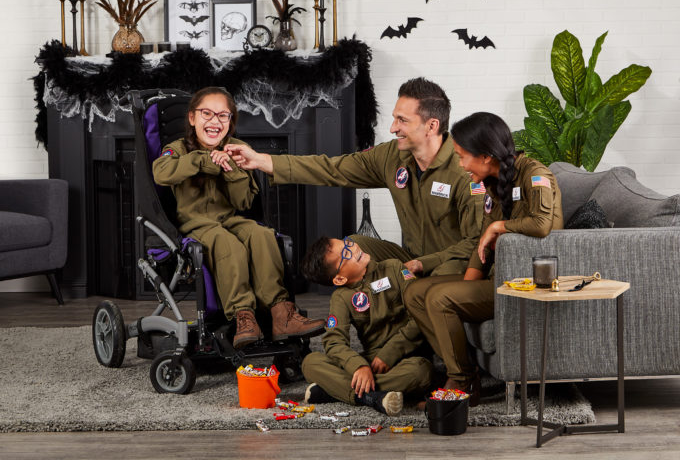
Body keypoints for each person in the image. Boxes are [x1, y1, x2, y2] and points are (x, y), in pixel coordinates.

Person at [225, 77, 483, 278]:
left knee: (443, 272)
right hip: (411, 255)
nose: (393, 128)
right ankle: (365, 321)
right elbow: (333, 168)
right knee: (354, 246)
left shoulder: (466, 170)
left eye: (402, 120)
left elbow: (475, 243)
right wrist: (261, 160)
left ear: (432, 126)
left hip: (449, 264)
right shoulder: (391, 156)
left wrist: (425, 264)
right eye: (394, 118)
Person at [403, 111, 563, 406]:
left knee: (439, 298)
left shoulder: (535, 174)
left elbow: (542, 224)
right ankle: (464, 371)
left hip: (526, 283)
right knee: (414, 291)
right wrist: (465, 290)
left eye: (463, 157)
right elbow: (482, 245)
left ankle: (461, 383)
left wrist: (498, 225)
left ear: (487, 156)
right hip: (498, 278)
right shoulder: (493, 183)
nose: (461, 165)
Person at [152, 86, 325, 349]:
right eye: (207, 113)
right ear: (192, 118)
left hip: (230, 218)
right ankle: (244, 316)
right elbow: (161, 173)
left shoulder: (239, 149)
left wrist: (230, 168)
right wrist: (204, 160)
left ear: (231, 122)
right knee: (226, 242)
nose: (215, 121)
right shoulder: (176, 149)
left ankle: (281, 314)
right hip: (196, 224)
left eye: (223, 116)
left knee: (262, 235)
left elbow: (244, 202)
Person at [299, 236, 432, 416]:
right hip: (370, 362)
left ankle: (335, 391)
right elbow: (334, 341)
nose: (353, 248)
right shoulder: (341, 297)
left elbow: (420, 315)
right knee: (310, 363)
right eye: (346, 253)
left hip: (407, 356)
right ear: (339, 279)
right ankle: (372, 397)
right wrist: (359, 367)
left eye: (348, 243)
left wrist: (389, 354)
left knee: (420, 371)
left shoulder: (394, 268)